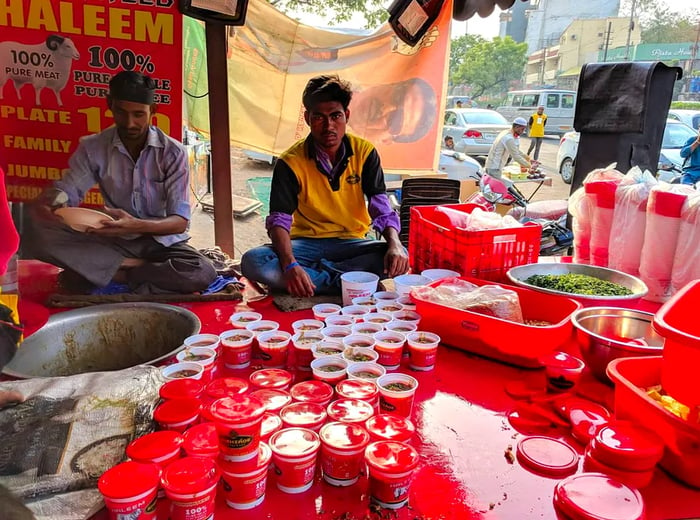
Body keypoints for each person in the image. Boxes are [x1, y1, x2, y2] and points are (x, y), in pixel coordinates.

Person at [27, 71, 216, 294]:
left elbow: (179, 223)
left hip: (160, 244)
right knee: (33, 234)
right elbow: (68, 189)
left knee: (200, 271)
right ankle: (131, 269)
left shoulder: (173, 153)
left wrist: (137, 225)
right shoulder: (93, 147)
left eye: (139, 114)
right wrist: (54, 201)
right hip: (113, 240)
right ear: (110, 106)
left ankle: (109, 271)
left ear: (152, 111)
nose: (130, 123)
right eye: (121, 112)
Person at [241, 75, 409, 297]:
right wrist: (290, 264)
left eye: (335, 116)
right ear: (308, 118)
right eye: (319, 117)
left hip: (351, 243)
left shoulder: (365, 153)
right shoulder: (290, 161)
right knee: (254, 261)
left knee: (398, 255)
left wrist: (395, 244)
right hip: (304, 245)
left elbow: (380, 204)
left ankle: (313, 280)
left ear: (346, 116)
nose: (328, 126)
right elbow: (279, 220)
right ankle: (351, 282)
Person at [349, 77, 437, 146]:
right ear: (391, 84)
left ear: (386, 140)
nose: (386, 108)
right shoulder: (343, 65)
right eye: (398, 96)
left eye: (395, 120)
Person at [484, 117, 532, 182]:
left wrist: (527, 158)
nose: (522, 132)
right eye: (522, 129)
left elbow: (515, 150)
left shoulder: (506, 132)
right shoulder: (508, 138)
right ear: (517, 127)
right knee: (497, 189)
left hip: (492, 165)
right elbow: (516, 157)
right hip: (494, 167)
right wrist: (530, 166)